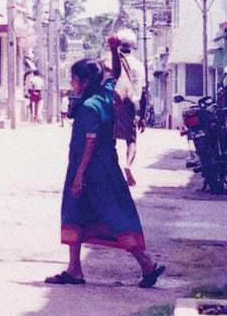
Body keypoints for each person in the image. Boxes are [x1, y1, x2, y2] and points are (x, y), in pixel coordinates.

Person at [45, 35, 165, 288]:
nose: (71, 84)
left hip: (91, 170)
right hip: (103, 167)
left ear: (85, 82)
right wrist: (113, 50)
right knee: (77, 213)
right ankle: (74, 270)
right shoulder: (105, 94)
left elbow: (89, 144)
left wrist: (79, 177)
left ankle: (147, 264)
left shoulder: (89, 106)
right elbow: (116, 75)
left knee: (112, 216)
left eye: (74, 79)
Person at [111, 28, 145, 186]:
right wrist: (142, 116)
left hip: (115, 103)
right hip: (132, 104)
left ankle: (114, 170)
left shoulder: (112, 61)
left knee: (111, 139)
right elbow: (143, 91)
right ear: (133, 46)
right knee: (131, 140)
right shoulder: (138, 65)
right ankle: (128, 165)